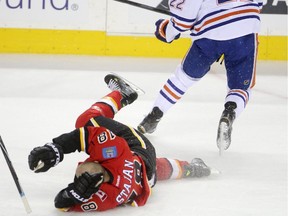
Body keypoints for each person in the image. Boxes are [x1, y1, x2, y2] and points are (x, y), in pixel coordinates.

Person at [28, 74, 211, 212]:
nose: (84, 163)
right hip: (138, 147)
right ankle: (122, 94)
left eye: (78, 178)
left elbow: (62, 205)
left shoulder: (109, 196)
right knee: (86, 121)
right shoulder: (114, 153)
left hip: (146, 177)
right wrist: (57, 148)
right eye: (85, 171)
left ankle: (191, 169)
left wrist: (74, 193)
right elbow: (83, 135)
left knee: (153, 170)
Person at [137, 0, 263, 153]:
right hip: (245, 29)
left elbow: (184, 21)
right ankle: (229, 112)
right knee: (240, 87)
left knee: (182, 78)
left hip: (210, 35)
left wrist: (167, 30)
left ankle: (155, 114)